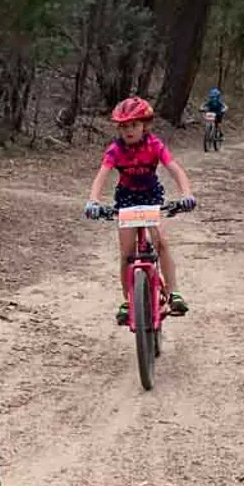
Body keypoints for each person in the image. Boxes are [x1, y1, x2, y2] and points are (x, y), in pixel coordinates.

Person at [84, 96, 196, 323]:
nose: (129, 131)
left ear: (145, 125)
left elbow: (175, 169)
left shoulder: (154, 145)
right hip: (126, 198)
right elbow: (101, 176)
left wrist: (186, 194)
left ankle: (173, 292)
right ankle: (128, 300)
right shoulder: (115, 150)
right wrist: (93, 201)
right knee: (126, 253)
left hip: (151, 196)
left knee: (161, 242)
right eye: (123, 127)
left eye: (134, 125)